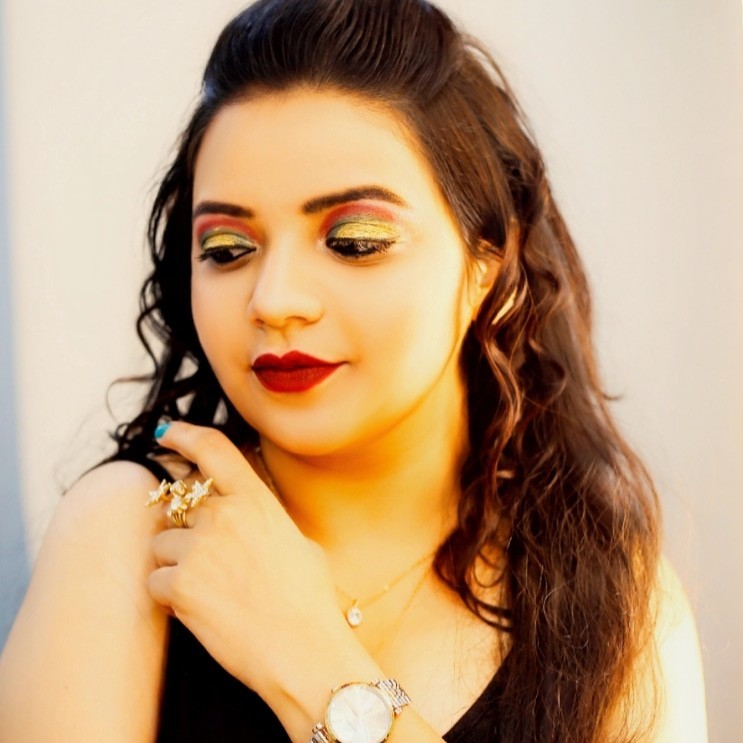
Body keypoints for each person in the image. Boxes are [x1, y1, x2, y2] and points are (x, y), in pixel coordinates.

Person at [0, 0, 707, 741]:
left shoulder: (614, 603)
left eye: (355, 240)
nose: (275, 301)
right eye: (227, 250)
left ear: (488, 268)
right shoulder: (131, 532)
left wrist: (313, 661)